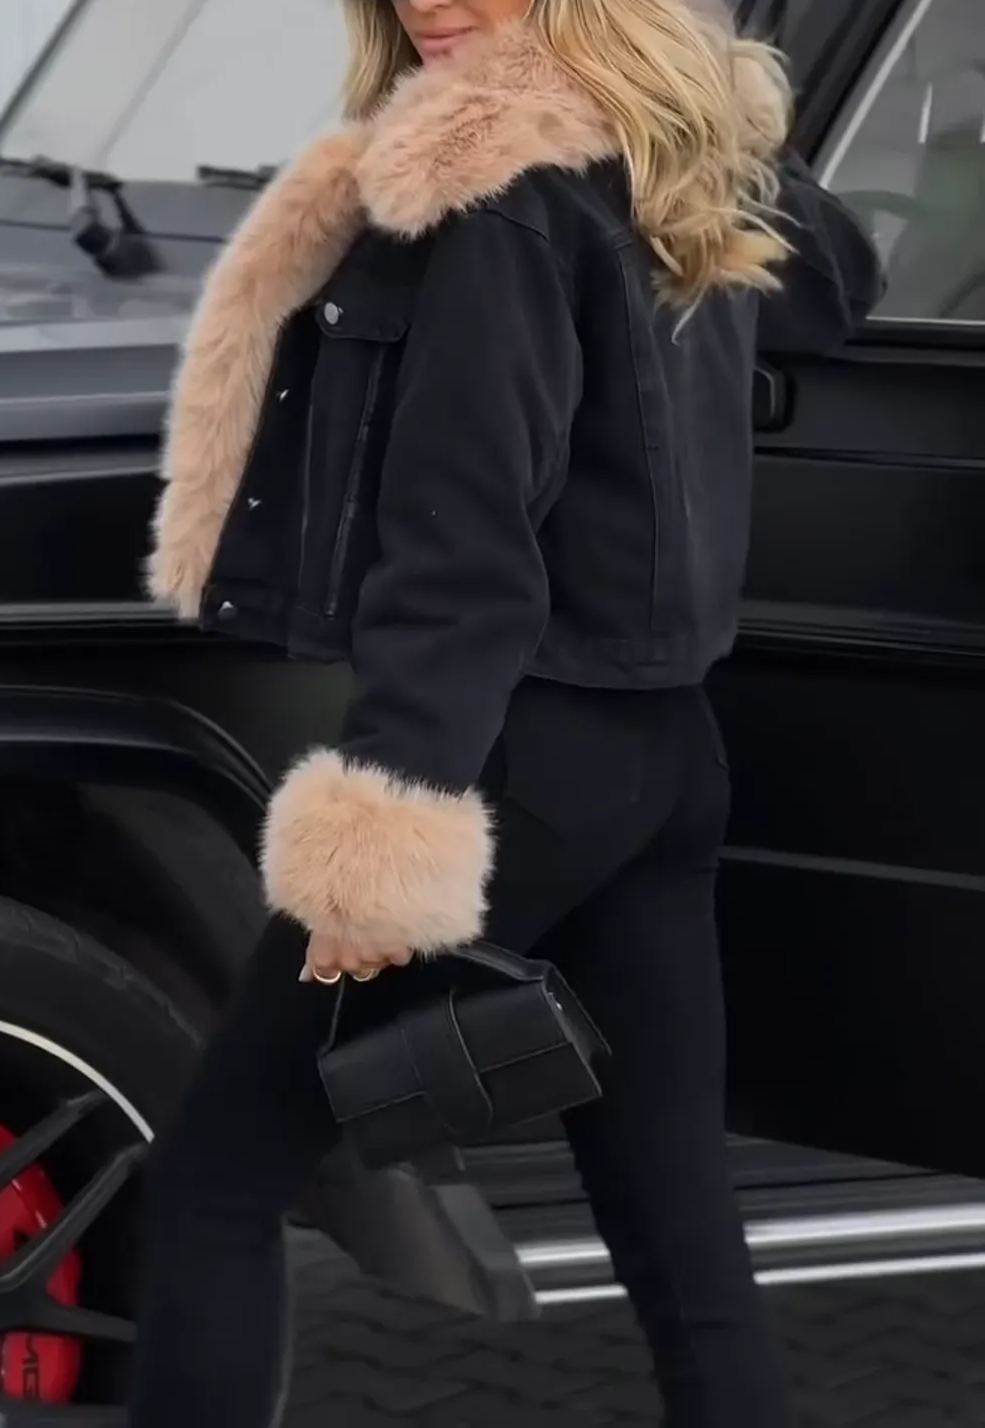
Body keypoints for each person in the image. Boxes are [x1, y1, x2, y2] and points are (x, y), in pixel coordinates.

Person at [133, 1, 884, 1424]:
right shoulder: (666, 163)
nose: (430, 0)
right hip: (660, 760)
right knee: (678, 1233)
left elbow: (466, 548)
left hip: (518, 767)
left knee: (216, 1182)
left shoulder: (497, 193)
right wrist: (697, 104)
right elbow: (836, 279)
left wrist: (389, 829)